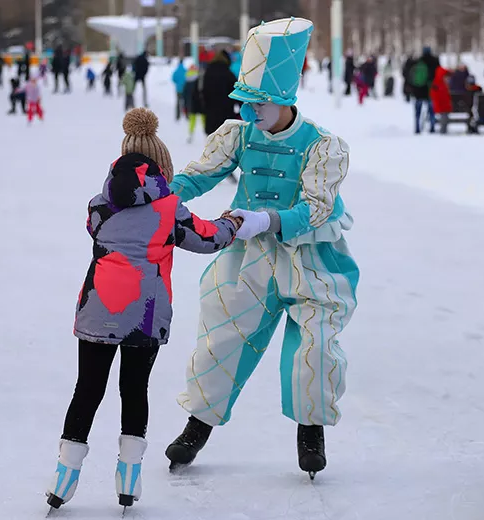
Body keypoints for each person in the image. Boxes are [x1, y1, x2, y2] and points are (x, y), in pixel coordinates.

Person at [164, 17, 359, 479]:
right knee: (222, 335)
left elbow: (316, 208)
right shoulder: (239, 133)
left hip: (311, 256)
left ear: (284, 101)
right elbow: (198, 175)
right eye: (246, 105)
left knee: (315, 345)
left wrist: (266, 219)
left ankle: (311, 430)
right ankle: (197, 425)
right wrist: (159, 195)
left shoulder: (322, 145)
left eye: (259, 105)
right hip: (247, 256)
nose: (249, 113)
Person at [44, 108, 240, 511]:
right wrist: (232, 222)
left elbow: (97, 229)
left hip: (98, 309)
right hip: (144, 316)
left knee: (88, 389)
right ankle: (129, 479)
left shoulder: (99, 206)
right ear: (163, 167)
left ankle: (63, 479)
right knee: (134, 391)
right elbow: (208, 239)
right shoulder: (170, 209)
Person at [201, 50, 238, 136]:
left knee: (212, 143)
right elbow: (236, 92)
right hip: (226, 114)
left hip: (210, 113)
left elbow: (203, 91)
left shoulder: (207, 72)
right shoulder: (228, 73)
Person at [408, 46, 440, 134]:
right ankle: (432, 127)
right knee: (431, 110)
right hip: (430, 89)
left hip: (418, 90)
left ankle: (417, 128)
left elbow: (410, 74)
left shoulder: (418, 61)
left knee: (418, 111)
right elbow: (439, 75)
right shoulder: (435, 61)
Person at [183, 65, 203, 143]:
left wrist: (185, 106)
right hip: (200, 103)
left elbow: (184, 95)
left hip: (191, 104)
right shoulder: (199, 80)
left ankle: (190, 135)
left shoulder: (187, 81)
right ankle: (206, 135)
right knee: (203, 120)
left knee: (192, 121)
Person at [430, 66, 452, 134]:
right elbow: (435, 95)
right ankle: (443, 131)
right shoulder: (438, 83)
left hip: (444, 104)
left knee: (445, 116)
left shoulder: (441, 83)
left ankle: (443, 130)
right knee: (444, 116)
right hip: (442, 104)